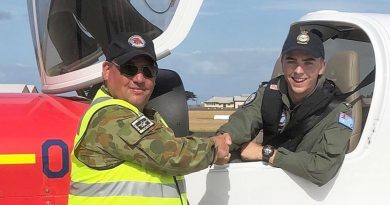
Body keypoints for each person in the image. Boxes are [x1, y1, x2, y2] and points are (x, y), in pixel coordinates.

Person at [68, 32, 231, 205]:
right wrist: (215, 148)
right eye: (129, 69)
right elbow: (170, 154)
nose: (139, 78)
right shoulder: (110, 116)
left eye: (148, 71)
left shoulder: (144, 116)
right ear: (107, 71)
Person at [217, 28, 353, 186]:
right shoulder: (270, 94)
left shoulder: (337, 111)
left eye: (308, 62)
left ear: (322, 67)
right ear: (282, 63)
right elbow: (240, 125)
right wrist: (220, 142)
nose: (298, 71)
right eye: (291, 61)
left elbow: (322, 169)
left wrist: (266, 153)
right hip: (269, 183)